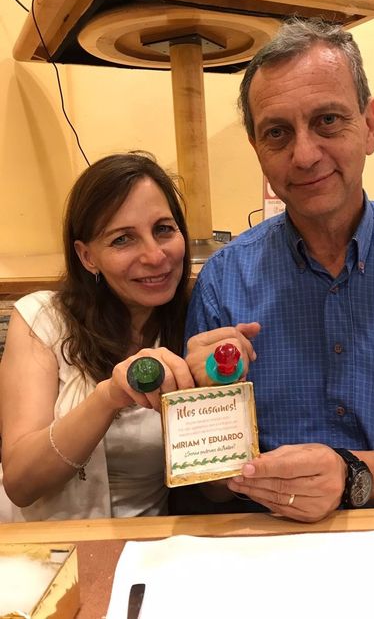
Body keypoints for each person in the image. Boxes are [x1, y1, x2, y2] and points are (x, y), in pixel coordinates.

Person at [185, 18, 374, 523]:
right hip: (269, 542)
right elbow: (211, 490)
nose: (304, 155)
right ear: (257, 148)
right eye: (277, 133)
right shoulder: (222, 283)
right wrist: (204, 417)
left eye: (327, 120)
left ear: (369, 125)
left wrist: (352, 476)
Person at [0, 152, 229, 522]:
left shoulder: (197, 323)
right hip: (46, 543)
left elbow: (216, 490)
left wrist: (222, 389)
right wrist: (109, 396)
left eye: (163, 229)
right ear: (87, 256)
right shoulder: (42, 318)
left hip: (145, 547)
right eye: (123, 239)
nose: (155, 255)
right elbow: (21, 484)